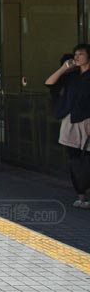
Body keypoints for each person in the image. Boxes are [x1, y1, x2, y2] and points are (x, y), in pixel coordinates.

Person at [46, 43, 90, 207]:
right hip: (71, 121)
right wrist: (64, 68)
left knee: (87, 159)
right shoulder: (72, 77)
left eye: (81, 54)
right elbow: (49, 83)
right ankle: (81, 196)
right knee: (74, 160)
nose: (77, 57)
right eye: (75, 54)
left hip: (87, 121)